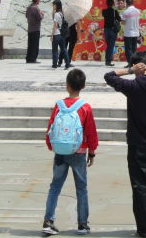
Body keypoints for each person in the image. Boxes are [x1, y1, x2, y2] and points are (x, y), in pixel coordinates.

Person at [104, 52, 146, 238]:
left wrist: (128, 70)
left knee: (140, 186)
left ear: (138, 67)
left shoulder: (134, 86)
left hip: (137, 144)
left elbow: (109, 76)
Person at [43, 68, 99, 236]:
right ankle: (82, 224)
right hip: (79, 151)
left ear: (67, 86)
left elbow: (51, 128)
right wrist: (92, 151)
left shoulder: (58, 105)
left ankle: (48, 221)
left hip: (60, 151)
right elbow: (91, 131)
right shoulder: (85, 107)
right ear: (83, 86)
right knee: (81, 188)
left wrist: (51, 145)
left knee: (55, 187)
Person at [120, 0, 141, 69]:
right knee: (134, 49)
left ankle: (130, 63)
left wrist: (120, 19)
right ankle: (134, 63)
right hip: (136, 32)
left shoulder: (126, 12)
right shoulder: (138, 11)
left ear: (126, 3)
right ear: (132, 3)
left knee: (128, 49)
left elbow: (123, 22)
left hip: (128, 33)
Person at [102, 0, 121, 67]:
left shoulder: (104, 11)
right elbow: (119, 19)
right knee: (110, 46)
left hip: (106, 30)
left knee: (108, 45)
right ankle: (108, 61)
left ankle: (107, 59)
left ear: (106, 4)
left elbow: (104, 16)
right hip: (113, 30)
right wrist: (116, 10)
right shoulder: (114, 11)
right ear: (113, 4)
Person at [26, 0, 44, 64]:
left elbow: (26, 16)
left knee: (30, 44)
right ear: (37, 0)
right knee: (35, 45)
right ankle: (33, 59)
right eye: (39, 0)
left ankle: (28, 58)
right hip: (36, 29)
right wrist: (42, 14)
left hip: (30, 28)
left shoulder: (29, 7)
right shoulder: (36, 8)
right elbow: (40, 18)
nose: (40, 1)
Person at [52, 0, 69, 69]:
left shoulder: (56, 14)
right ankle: (67, 63)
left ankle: (55, 64)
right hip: (62, 34)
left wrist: (52, 35)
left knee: (55, 50)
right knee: (64, 49)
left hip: (56, 34)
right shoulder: (62, 13)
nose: (53, 6)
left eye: (53, 5)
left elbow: (55, 25)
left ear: (56, 5)